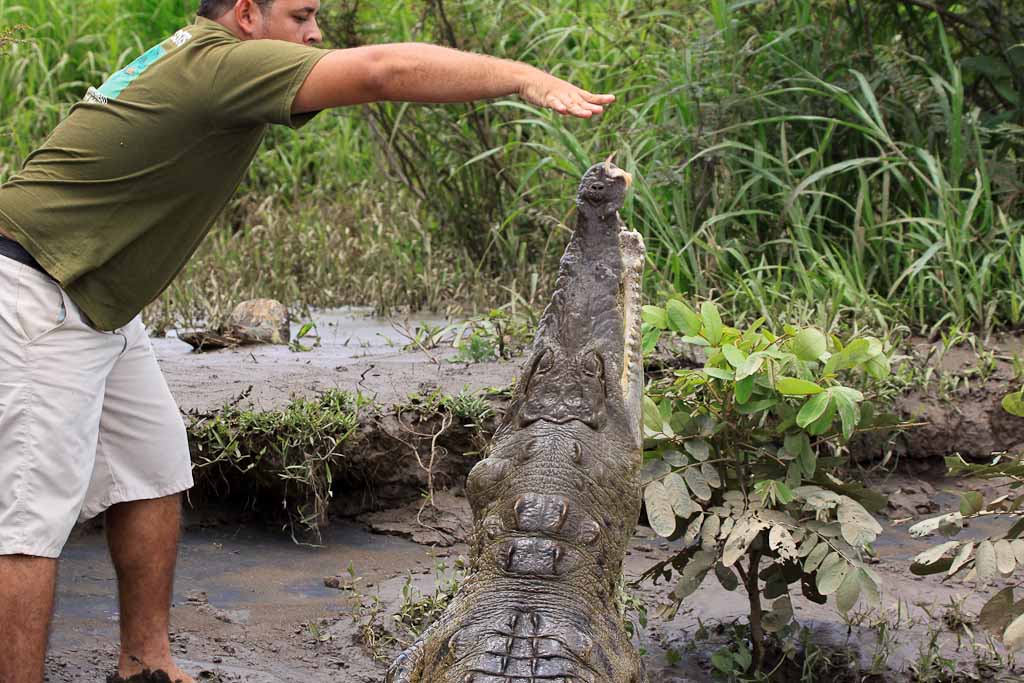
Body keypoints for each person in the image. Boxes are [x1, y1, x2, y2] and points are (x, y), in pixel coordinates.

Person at [0, 1, 614, 681]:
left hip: (97, 300)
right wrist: (520, 76)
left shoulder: (198, 53)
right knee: (28, 523)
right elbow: (382, 70)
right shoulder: (221, 63)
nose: (316, 33)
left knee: (154, 467)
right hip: (38, 289)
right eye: (301, 14)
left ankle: (146, 666)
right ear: (245, 15)